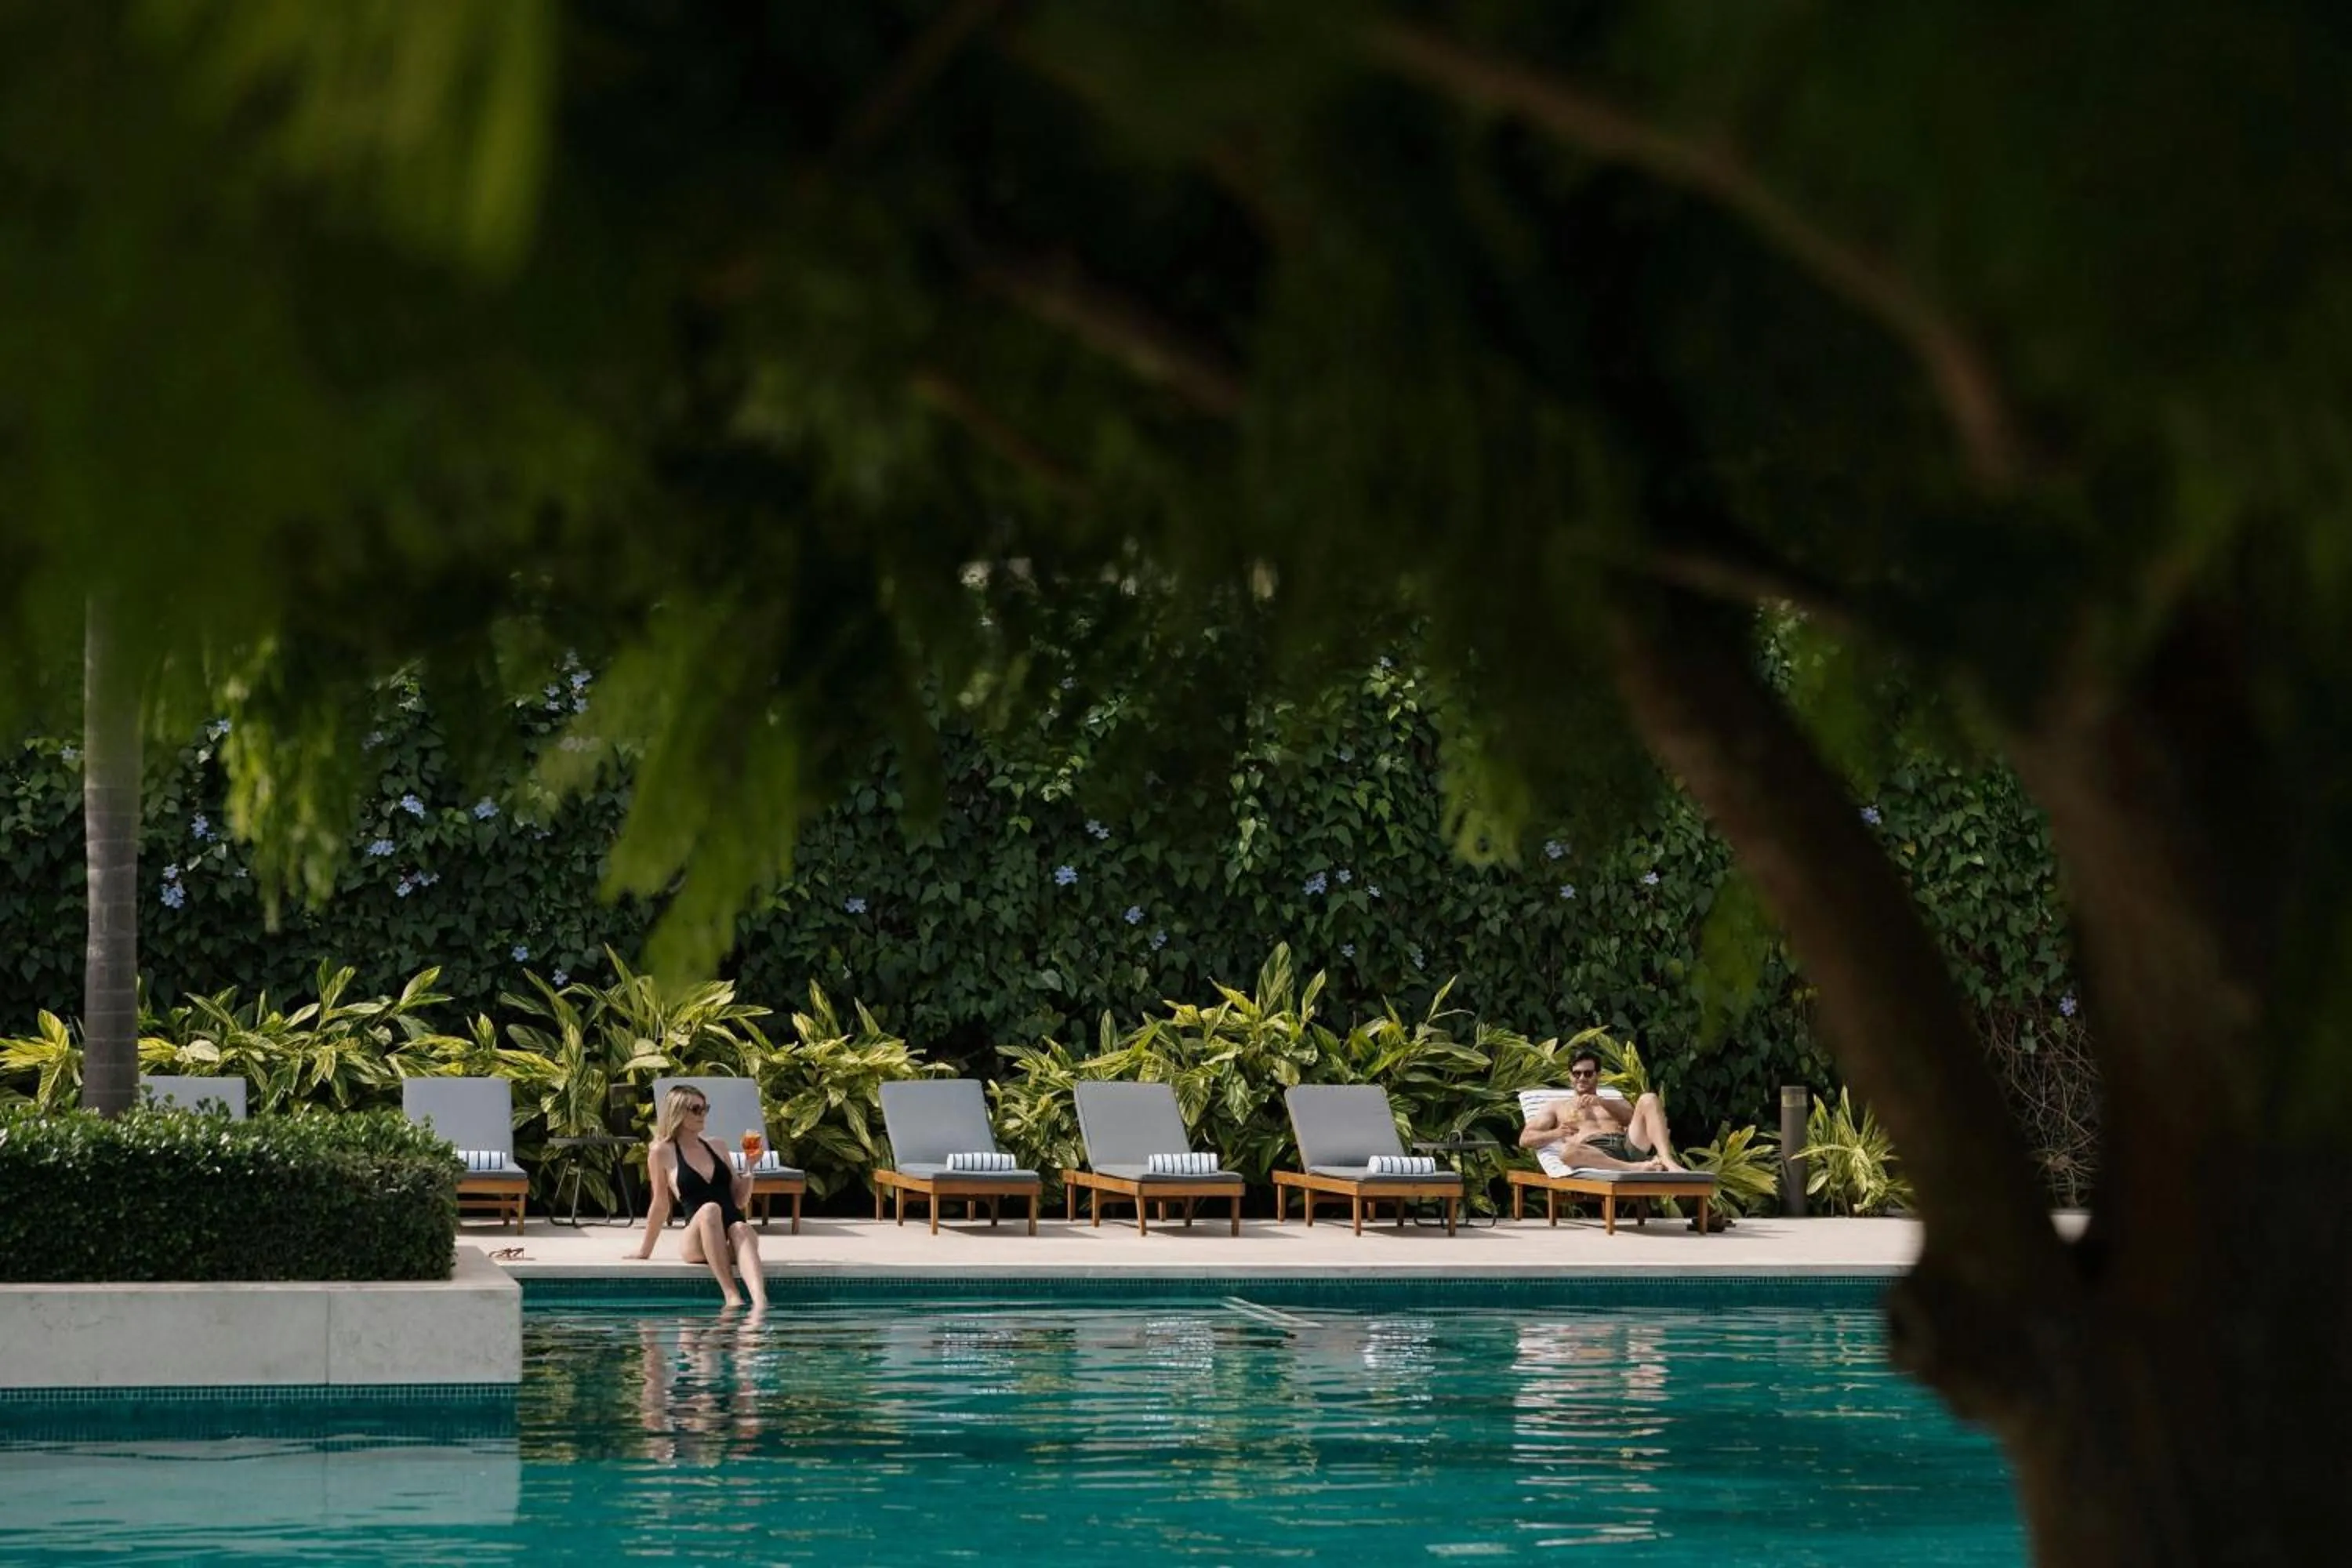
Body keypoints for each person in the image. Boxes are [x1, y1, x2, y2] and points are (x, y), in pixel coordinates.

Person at [626, 1084, 770, 1308]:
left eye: (705, 1108)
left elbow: (740, 1200)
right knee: (710, 1209)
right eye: (695, 1109)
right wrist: (645, 1250)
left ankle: (760, 1304)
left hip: (733, 1239)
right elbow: (660, 1204)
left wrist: (750, 1166)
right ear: (678, 1112)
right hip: (697, 1241)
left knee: (741, 1227)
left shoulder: (718, 1145)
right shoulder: (661, 1151)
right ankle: (731, 1295)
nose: (702, 1114)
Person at [1518, 1048, 1687, 1172]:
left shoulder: (1613, 1102)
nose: (1582, 1078)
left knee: (1649, 1098)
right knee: (1568, 1153)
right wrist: (1556, 1133)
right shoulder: (1557, 1107)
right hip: (1595, 1151)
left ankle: (1667, 1159)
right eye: (1577, 1074)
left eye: (1588, 1073)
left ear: (1598, 1075)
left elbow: (1631, 1118)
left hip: (1628, 1145)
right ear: (1570, 1076)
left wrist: (1602, 1102)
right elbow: (1525, 1139)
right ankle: (1633, 1168)